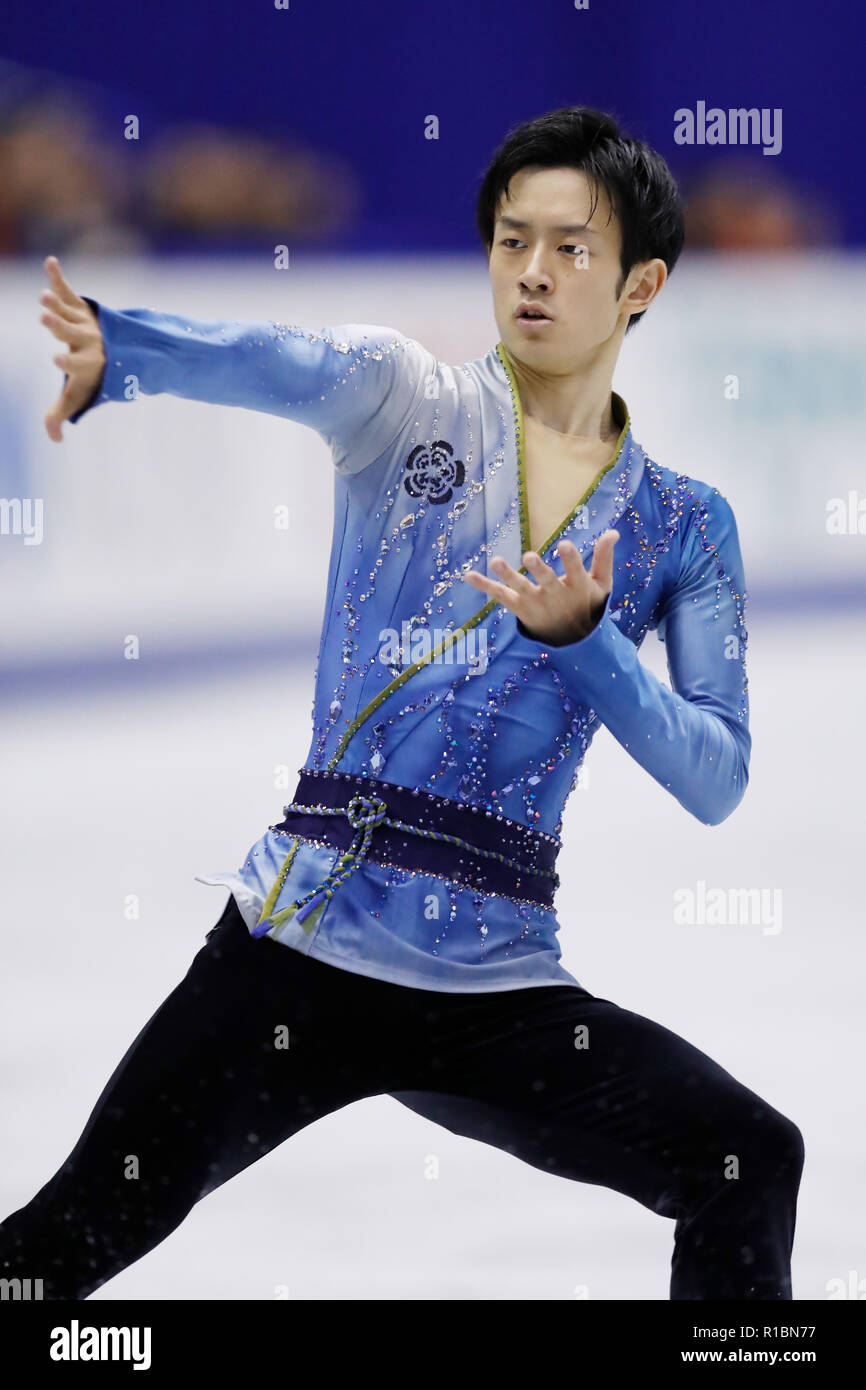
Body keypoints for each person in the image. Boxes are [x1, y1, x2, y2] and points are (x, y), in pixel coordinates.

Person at [0, 106, 803, 1301]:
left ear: (641, 281)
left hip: (496, 985)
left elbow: (716, 777)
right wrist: (126, 352)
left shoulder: (682, 526)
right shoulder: (407, 400)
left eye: (569, 248)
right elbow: (275, 359)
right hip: (294, 955)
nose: (530, 272)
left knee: (748, 1154)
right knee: (61, 1245)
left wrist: (589, 647)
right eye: (508, 240)